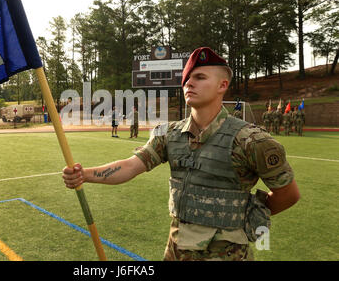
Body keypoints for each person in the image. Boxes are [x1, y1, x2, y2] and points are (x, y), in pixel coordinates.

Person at [62, 47, 300, 261]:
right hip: (176, 251)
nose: (189, 83)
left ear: (222, 85)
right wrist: (85, 174)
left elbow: (287, 194)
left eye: (199, 77)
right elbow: (131, 166)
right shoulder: (169, 133)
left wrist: (239, 212)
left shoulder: (251, 140)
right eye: (186, 79)